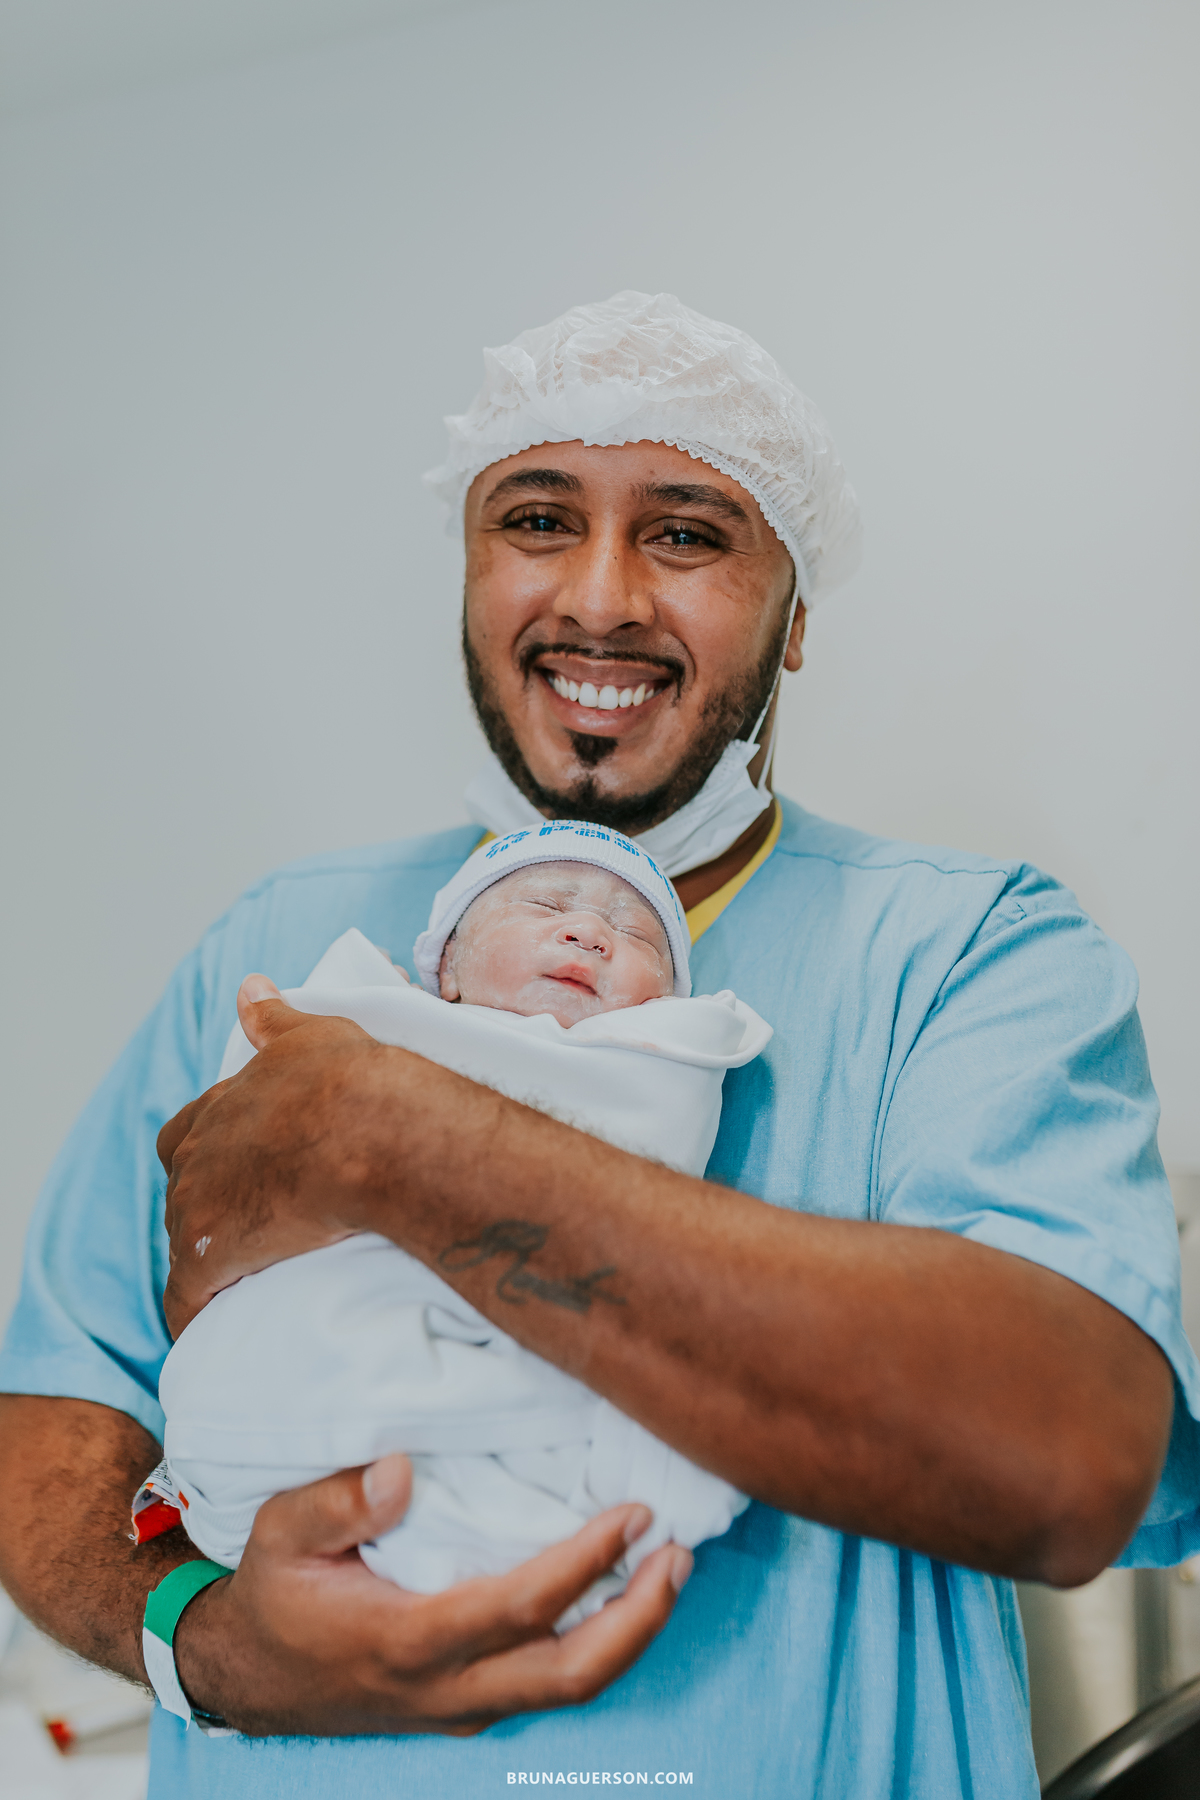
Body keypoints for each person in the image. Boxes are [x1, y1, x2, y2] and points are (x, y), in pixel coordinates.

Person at [0, 291, 1194, 1799]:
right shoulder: (284, 947)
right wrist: (196, 1638)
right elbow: (57, 1409)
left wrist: (401, 1139)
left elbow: (1067, 1457)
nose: (603, 596)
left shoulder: (966, 958)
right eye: (539, 519)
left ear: (798, 614)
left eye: (687, 532)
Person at [136, 829, 767, 1645]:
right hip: (307, 1352)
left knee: (655, 1430)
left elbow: (655, 1154)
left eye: (637, 933)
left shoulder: (653, 1061)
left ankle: (465, 1544)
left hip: (505, 1382)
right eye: (543, 904)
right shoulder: (380, 1023)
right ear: (446, 970)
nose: (588, 932)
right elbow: (244, 1141)